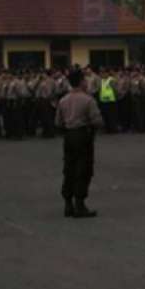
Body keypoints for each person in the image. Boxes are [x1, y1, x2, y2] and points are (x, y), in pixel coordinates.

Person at [55, 69, 103, 218]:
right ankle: (79, 205)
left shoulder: (63, 100)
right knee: (83, 169)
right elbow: (97, 121)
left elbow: (58, 122)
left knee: (69, 168)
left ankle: (68, 204)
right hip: (83, 135)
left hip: (69, 136)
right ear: (82, 81)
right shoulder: (88, 100)